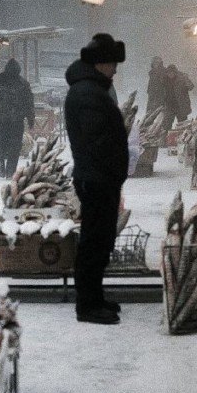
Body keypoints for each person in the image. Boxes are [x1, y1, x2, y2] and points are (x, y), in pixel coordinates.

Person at [64, 32, 129, 325]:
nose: (116, 69)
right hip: (97, 179)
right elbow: (98, 141)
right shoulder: (88, 93)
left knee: (100, 242)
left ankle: (95, 298)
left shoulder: (89, 89)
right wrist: (112, 169)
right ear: (101, 63)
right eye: (113, 63)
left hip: (99, 177)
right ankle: (88, 306)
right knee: (94, 243)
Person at [0, 57, 35, 178]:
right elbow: (29, 103)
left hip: (1, 118)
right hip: (17, 119)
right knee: (16, 145)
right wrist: (30, 118)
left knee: (3, 139)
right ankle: (10, 171)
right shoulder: (23, 84)